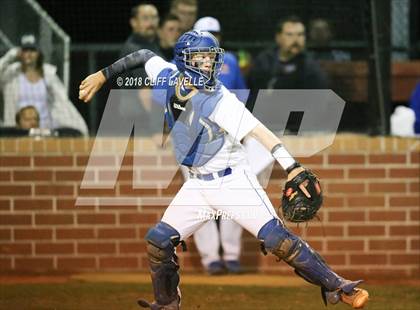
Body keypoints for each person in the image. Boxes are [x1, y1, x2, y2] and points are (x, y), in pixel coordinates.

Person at [79, 31, 369, 310]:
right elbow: (142, 55)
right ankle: (167, 303)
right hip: (196, 184)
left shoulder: (219, 97)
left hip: (233, 180)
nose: (208, 63)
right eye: (200, 57)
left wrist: (291, 166)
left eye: (210, 57)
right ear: (183, 60)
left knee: (276, 239)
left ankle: (338, 286)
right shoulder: (167, 76)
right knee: (158, 241)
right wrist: (103, 74)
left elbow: (260, 132)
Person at [192, 16, 247, 275]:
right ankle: (211, 258)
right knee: (200, 196)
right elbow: (163, 98)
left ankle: (232, 255)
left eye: (214, 35)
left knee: (234, 192)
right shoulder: (180, 64)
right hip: (194, 139)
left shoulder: (231, 62)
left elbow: (242, 97)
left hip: (228, 136)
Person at [0, 34, 88, 135]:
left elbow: (62, 102)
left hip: (45, 130)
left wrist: (78, 125)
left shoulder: (48, 74)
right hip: (19, 131)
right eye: (25, 50)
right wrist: (10, 55)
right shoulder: (11, 74)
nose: (29, 54)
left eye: (32, 50)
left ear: (38, 53)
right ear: (20, 53)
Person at [248, 15, 328, 105]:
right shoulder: (264, 61)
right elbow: (251, 93)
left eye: (300, 34)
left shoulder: (311, 67)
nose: (296, 39)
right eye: (290, 34)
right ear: (278, 37)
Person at [119, 3, 163, 138]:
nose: (151, 22)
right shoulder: (136, 49)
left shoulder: (151, 45)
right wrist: (159, 126)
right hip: (141, 124)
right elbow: (145, 92)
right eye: (145, 18)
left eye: (154, 17)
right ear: (134, 22)